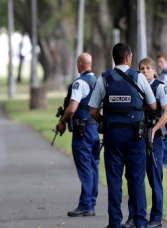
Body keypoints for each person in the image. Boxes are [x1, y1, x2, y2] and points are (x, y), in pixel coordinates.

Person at [89, 43, 156, 228]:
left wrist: (104, 121)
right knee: (136, 180)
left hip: (112, 136)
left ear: (114, 58)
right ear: (129, 58)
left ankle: (115, 223)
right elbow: (152, 105)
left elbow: (93, 110)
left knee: (114, 180)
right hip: (136, 136)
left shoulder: (104, 79)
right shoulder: (139, 77)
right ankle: (140, 221)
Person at [124, 58, 167, 228]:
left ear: (154, 70)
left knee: (154, 180)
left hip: (154, 139)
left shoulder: (159, 87)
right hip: (136, 137)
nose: (144, 71)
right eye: (141, 69)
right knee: (135, 179)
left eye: (147, 68)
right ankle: (134, 217)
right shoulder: (135, 86)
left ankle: (156, 218)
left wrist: (154, 130)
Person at [55, 53, 100, 217]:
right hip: (96, 129)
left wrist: (63, 122)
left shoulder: (79, 83)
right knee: (93, 166)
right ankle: (91, 203)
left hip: (83, 131)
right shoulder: (98, 82)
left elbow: (72, 108)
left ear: (80, 65)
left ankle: (86, 205)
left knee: (85, 167)